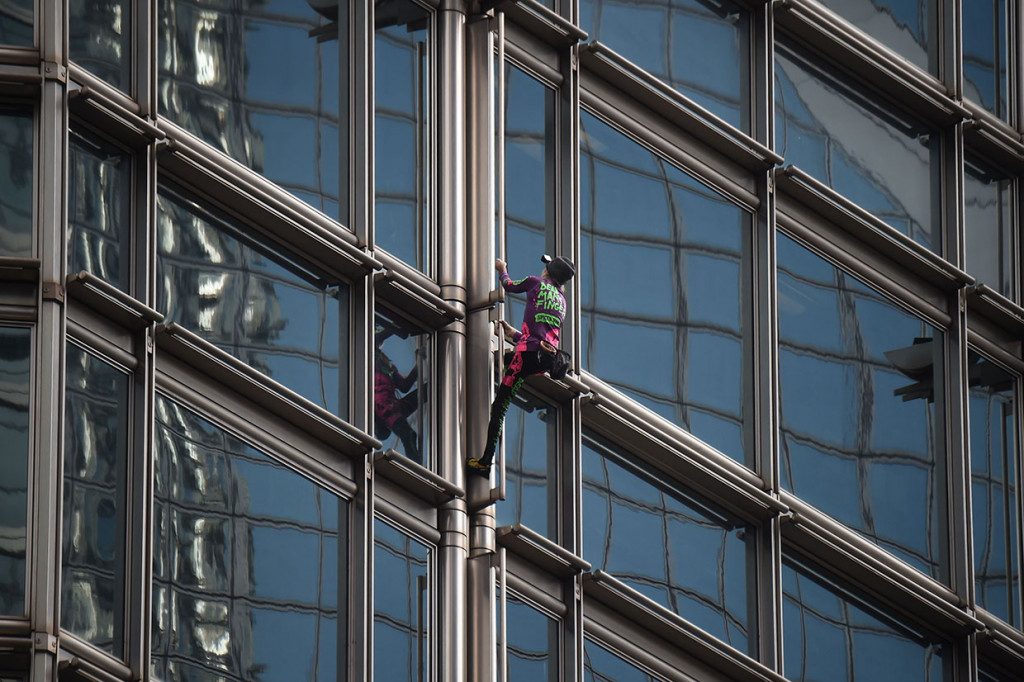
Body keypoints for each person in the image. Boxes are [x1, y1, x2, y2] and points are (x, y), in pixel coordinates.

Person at [467, 254, 575, 477]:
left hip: (526, 355)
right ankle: (486, 459)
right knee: (504, 373)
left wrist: (501, 268)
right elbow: (544, 334)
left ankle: (485, 462)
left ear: (548, 271)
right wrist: (512, 333)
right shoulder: (562, 302)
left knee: (500, 406)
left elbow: (508, 285)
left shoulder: (535, 282)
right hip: (543, 360)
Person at [374, 323, 423, 462]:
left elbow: (404, 386)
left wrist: (419, 362)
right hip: (383, 402)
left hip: (390, 402)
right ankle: (418, 468)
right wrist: (402, 324)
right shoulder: (366, 348)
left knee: (428, 390)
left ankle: (417, 467)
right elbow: (376, 336)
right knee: (408, 435)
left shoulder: (383, 360)